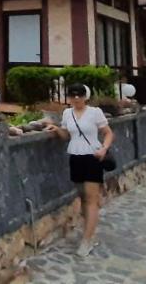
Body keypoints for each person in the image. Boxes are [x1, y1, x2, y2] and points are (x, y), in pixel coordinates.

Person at [46, 83, 114, 257]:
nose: (76, 98)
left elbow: (108, 133)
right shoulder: (67, 113)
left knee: (91, 199)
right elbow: (68, 135)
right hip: (75, 157)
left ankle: (87, 240)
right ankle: (89, 233)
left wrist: (104, 148)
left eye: (80, 94)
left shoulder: (95, 112)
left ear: (86, 96)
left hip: (92, 157)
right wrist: (57, 130)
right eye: (73, 94)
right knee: (82, 197)